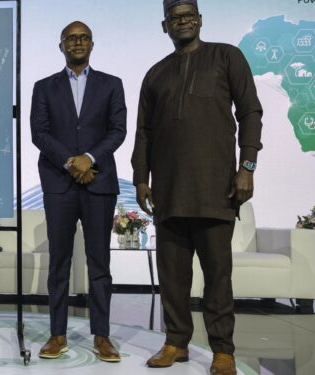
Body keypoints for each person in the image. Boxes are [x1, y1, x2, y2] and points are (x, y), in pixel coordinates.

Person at [131, 1, 263, 374]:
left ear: (200, 21)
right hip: (169, 192)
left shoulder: (226, 57)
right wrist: (142, 178)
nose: (183, 21)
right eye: (176, 17)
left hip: (216, 189)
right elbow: (144, 131)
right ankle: (176, 342)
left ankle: (223, 350)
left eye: (189, 15)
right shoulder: (155, 74)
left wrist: (247, 167)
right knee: (172, 276)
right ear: (165, 26)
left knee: (218, 275)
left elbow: (250, 112)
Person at [30, 21, 127, 362]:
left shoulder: (112, 85)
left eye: (83, 37)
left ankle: (102, 336)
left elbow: (118, 130)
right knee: (59, 262)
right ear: (61, 46)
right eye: (71, 38)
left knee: (100, 263)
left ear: (92, 43)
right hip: (59, 183)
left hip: (99, 183)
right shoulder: (44, 87)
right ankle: (57, 335)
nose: (77, 43)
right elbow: (39, 133)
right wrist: (71, 162)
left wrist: (89, 159)